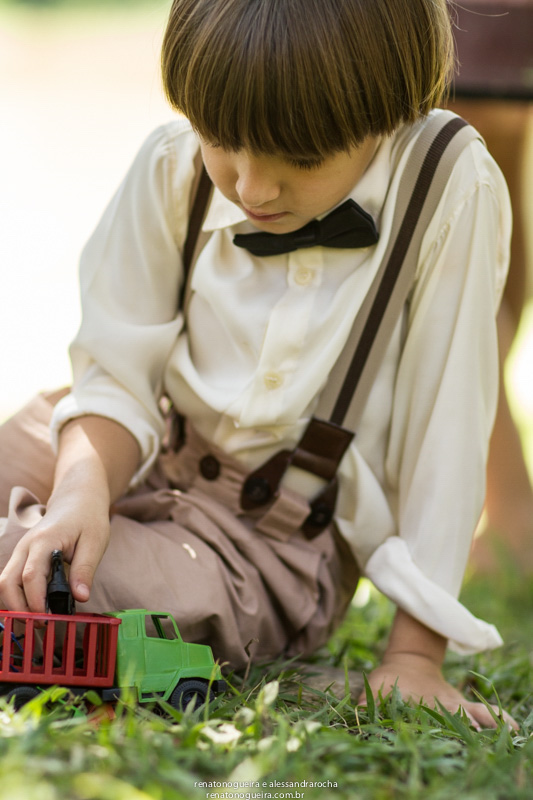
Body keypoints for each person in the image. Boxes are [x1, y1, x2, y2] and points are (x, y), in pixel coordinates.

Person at [0, 0, 516, 728]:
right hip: (137, 447)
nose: (250, 188)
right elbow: (116, 375)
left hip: (269, 538)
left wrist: (413, 658)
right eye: (221, 143)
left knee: (29, 579)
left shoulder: (444, 183)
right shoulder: (170, 164)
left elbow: (446, 430)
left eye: (298, 160)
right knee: (40, 507)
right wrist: (82, 492)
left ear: (387, 109)